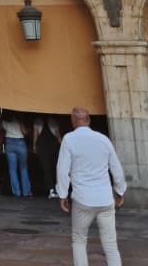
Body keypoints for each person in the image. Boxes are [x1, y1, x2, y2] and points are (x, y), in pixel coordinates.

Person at [55, 107, 125, 266]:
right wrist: (120, 191)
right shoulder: (103, 139)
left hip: (82, 199)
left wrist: (62, 195)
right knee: (111, 245)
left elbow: (62, 170)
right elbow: (116, 169)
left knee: (79, 241)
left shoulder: (69, 139)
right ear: (89, 120)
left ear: (73, 121)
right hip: (105, 199)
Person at [0, 111, 31, 198]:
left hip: (9, 143)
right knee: (23, 168)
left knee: (12, 169)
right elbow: (24, 132)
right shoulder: (19, 120)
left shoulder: (4, 122)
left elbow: (1, 131)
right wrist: (28, 131)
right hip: (20, 142)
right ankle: (26, 192)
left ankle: (17, 192)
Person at [34, 116, 62, 200]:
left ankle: (51, 189)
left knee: (46, 169)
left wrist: (34, 146)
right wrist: (62, 146)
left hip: (43, 149)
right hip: (53, 148)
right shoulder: (53, 121)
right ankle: (58, 189)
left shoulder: (37, 121)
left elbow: (35, 136)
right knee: (56, 167)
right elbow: (58, 136)